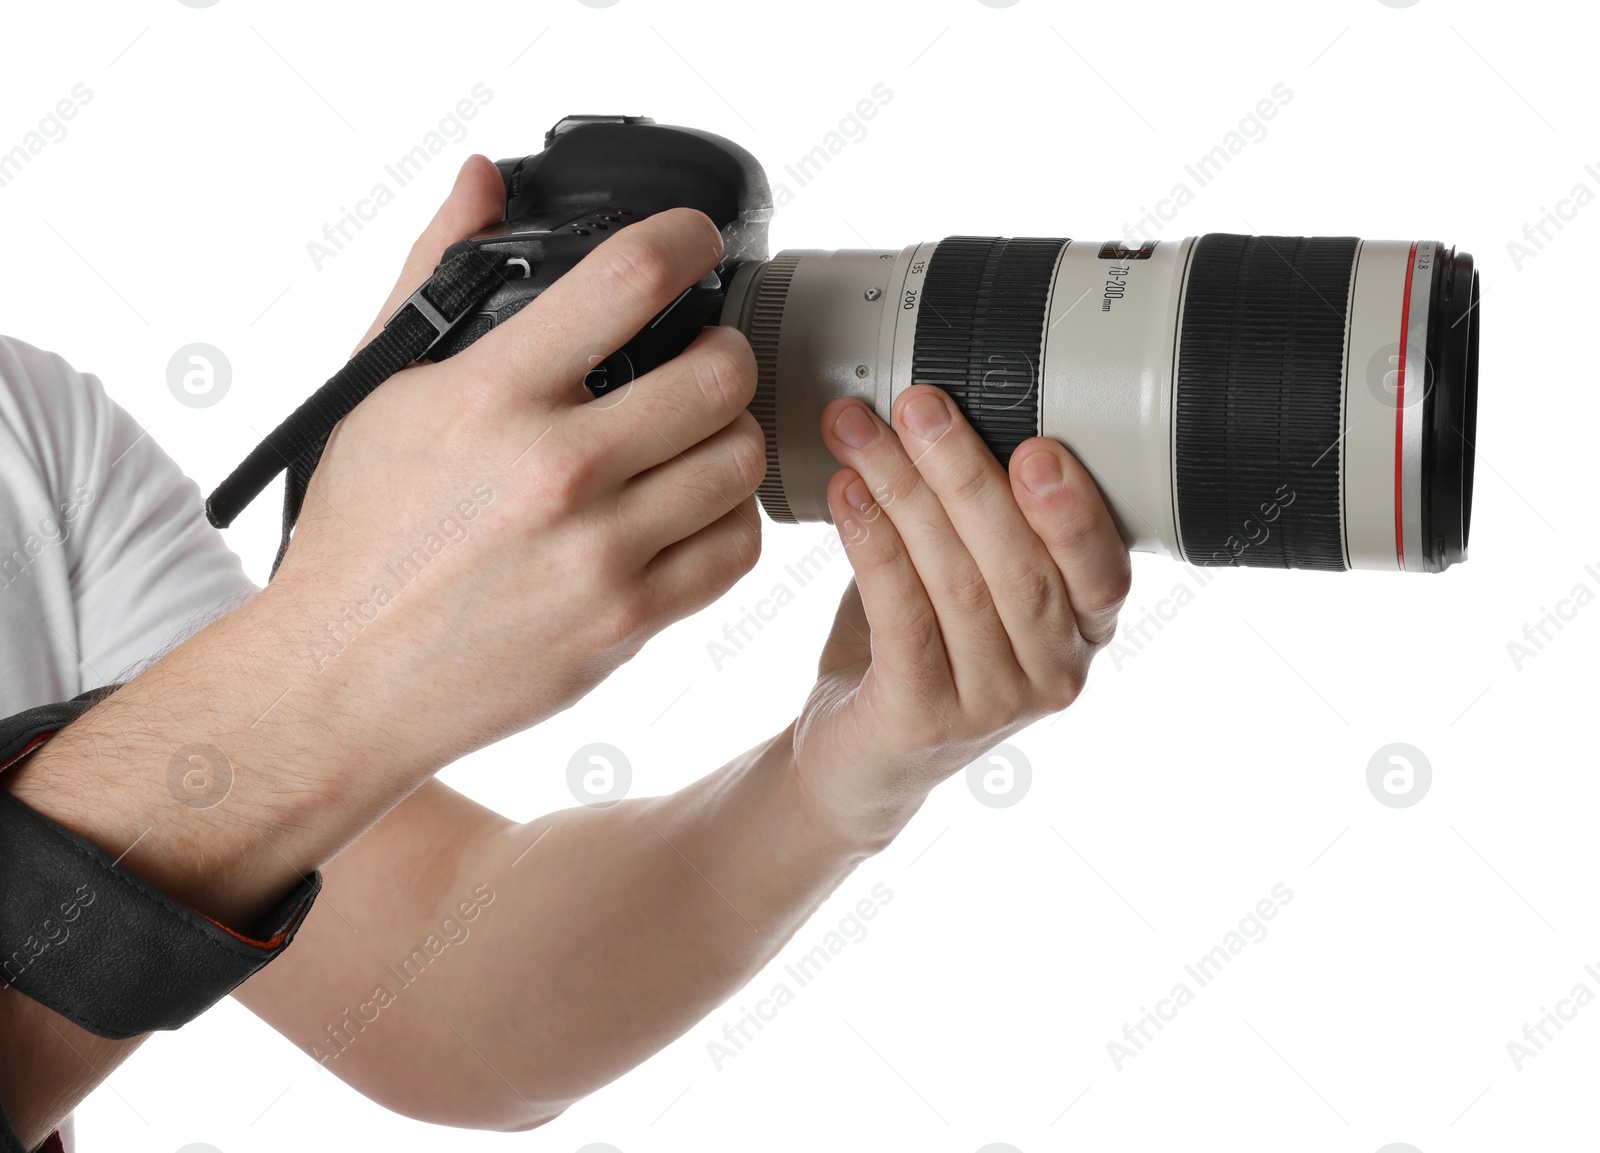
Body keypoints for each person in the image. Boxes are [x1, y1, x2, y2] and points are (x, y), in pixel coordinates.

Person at [0, 155, 1131, 1148]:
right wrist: (334, 656)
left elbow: (437, 994)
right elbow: (292, 727)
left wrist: (833, 779)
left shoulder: (30, 434)